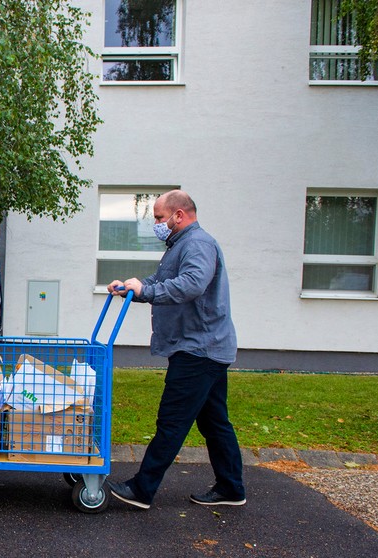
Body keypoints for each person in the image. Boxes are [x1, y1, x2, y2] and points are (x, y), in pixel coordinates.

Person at [105, 190, 245, 509]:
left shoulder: (197, 244)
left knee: (172, 420)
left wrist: (148, 290)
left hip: (198, 350)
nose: (156, 223)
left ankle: (142, 489)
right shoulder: (180, 245)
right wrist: (133, 289)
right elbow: (161, 281)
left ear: (178, 215)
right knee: (214, 422)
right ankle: (231, 487)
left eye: (158, 217)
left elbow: (192, 284)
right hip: (203, 347)